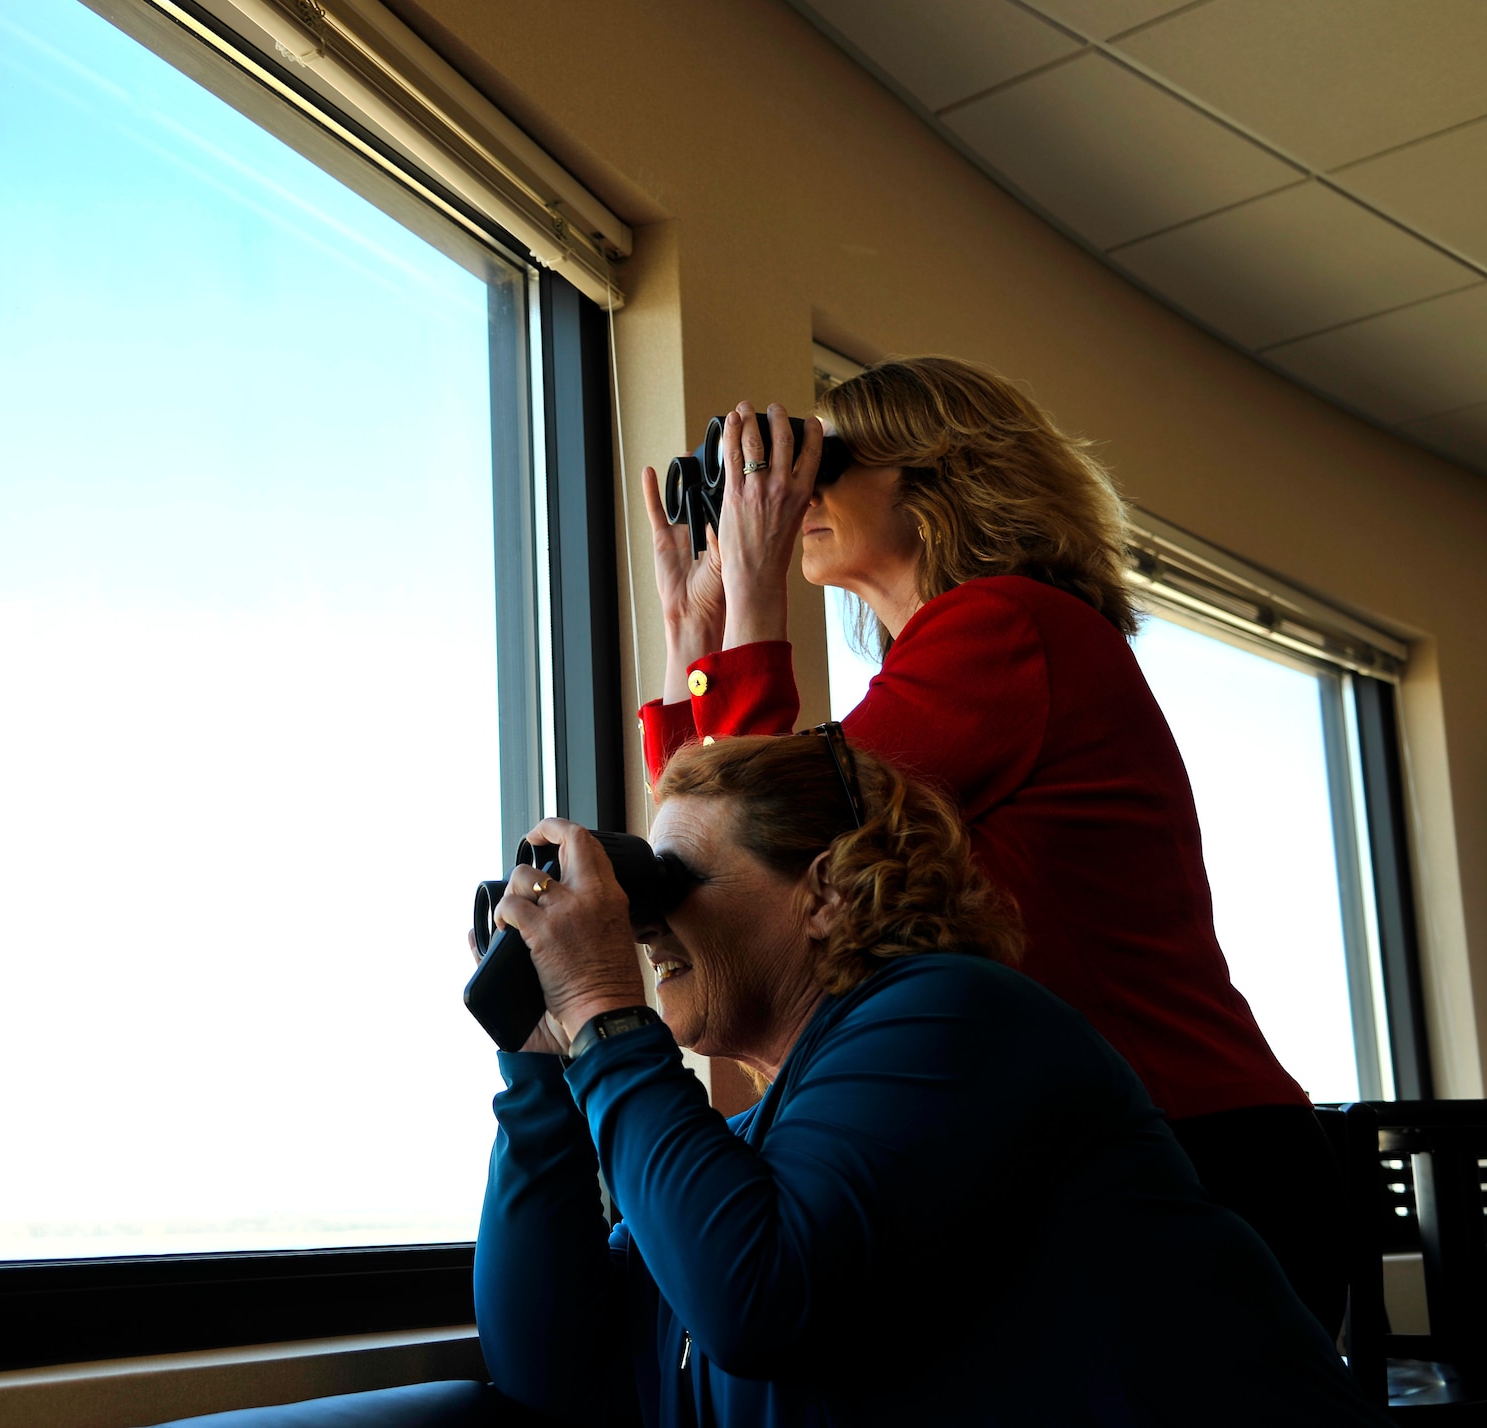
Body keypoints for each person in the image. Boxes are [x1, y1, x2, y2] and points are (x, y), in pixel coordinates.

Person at [637, 356, 1344, 1333]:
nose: (794, 492)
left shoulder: (1007, 624)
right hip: (1123, 1142)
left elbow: (759, 839)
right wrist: (695, 628)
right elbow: (709, 857)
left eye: (825, 460)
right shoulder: (954, 661)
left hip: (1193, 1154)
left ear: (936, 484)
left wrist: (754, 595)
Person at [473, 733, 1381, 1427]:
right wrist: (539, 1065)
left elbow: (756, 1299)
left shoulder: (961, 1020)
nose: (644, 929)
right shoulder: (747, 1152)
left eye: (666, 887)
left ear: (824, 892)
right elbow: (551, 1371)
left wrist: (600, 1003)